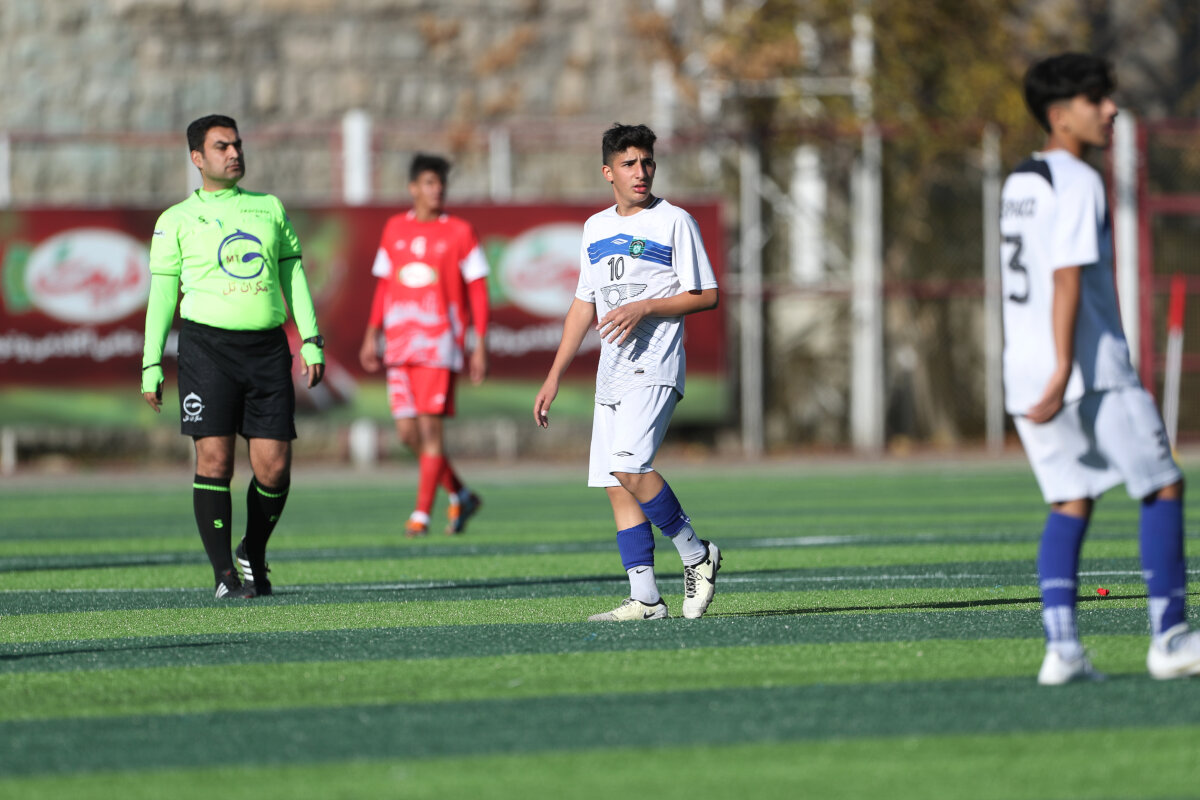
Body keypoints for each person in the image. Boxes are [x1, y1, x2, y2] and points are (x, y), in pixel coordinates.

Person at [1001, 54, 1200, 682]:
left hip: (1024, 372)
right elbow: (1066, 276)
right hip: (1089, 370)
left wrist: (1048, 370)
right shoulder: (1079, 179)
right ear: (1060, 115)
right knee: (1163, 485)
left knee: (1071, 500)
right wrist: (1066, 366)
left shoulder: (1019, 181)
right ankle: (1170, 639)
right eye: (1096, 99)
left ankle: (1062, 650)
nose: (1111, 109)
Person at [534, 123, 721, 621]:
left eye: (647, 162)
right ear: (608, 173)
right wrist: (554, 375)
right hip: (612, 372)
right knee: (616, 484)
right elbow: (583, 305)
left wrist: (646, 307)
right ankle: (646, 599)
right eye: (629, 164)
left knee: (630, 467)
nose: (641, 172)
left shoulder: (674, 221)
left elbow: (706, 295)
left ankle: (697, 554)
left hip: (655, 364)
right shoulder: (595, 228)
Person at [141, 114, 325, 600]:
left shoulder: (269, 208)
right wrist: (151, 362)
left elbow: (293, 276)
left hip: (267, 350)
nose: (234, 153)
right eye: (222, 147)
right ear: (197, 158)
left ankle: (252, 550)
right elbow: (162, 297)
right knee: (215, 460)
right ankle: (225, 575)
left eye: (238, 145)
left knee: (274, 468)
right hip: (207, 351)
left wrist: (311, 339)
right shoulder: (176, 220)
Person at [358, 154, 489, 537]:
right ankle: (461, 494)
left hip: (438, 344)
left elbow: (478, 290)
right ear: (413, 187)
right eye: (430, 182)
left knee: (431, 433)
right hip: (398, 346)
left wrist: (479, 343)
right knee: (407, 434)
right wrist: (372, 332)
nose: (437, 190)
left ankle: (421, 514)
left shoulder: (461, 232)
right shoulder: (394, 228)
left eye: (441, 183)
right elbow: (384, 285)